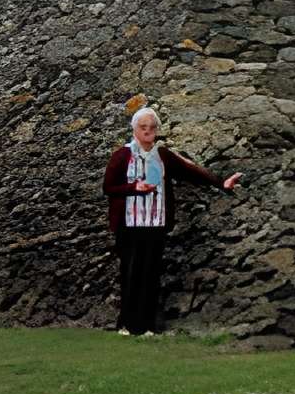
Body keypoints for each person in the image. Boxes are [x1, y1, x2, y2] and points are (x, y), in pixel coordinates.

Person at [101, 106, 242, 335]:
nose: (148, 131)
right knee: (131, 274)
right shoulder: (122, 155)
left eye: (152, 127)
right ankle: (127, 324)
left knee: (151, 275)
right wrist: (133, 188)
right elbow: (108, 187)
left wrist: (220, 183)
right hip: (130, 225)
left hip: (155, 224)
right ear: (134, 129)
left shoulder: (162, 155)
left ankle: (146, 326)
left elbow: (191, 171)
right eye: (143, 127)